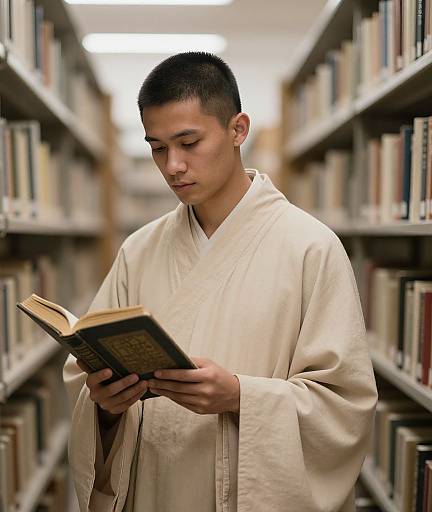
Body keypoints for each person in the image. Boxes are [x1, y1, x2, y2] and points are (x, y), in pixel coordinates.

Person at [63, 52, 378, 512]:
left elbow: (344, 408)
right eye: (157, 148)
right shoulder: (139, 250)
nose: (173, 166)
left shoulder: (311, 247)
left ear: (238, 129)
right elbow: (86, 381)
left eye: (189, 142)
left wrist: (240, 396)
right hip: (153, 492)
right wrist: (105, 406)